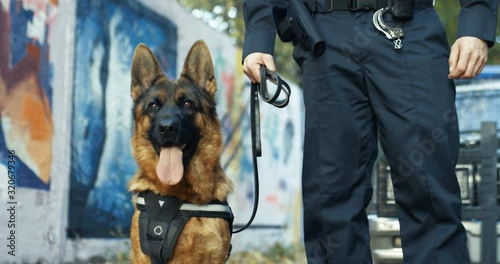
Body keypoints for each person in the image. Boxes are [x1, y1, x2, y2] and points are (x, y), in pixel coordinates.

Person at [242, 0, 499, 263]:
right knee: (330, 196)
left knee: (428, 185)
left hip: (408, 26)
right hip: (324, 37)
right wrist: (259, 35)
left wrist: (476, 22)